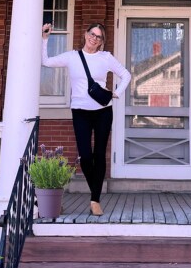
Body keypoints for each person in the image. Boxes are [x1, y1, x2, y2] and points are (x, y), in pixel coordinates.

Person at [41, 21, 131, 216]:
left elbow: (126, 75)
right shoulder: (73, 57)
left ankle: (95, 200)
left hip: (103, 111)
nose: (94, 38)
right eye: (92, 34)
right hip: (80, 111)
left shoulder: (105, 58)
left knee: (99, 154)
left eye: (98, 37)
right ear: (85, 34)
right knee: (85, 156)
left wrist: (116, 93)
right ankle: (95, 190)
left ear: (101, 41)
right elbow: (46, 62)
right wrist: (45, 39)